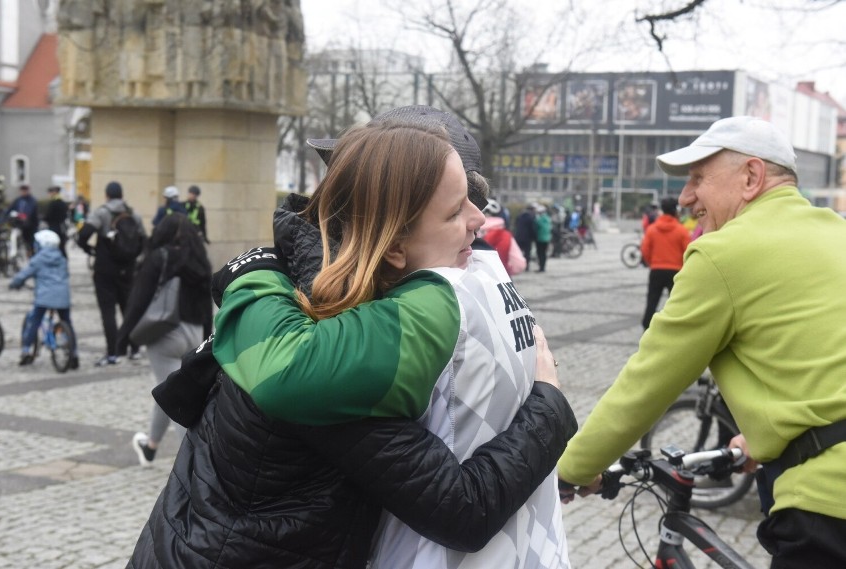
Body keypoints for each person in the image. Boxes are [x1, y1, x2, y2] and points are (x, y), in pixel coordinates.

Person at [127, 112, 576, 569]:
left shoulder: (324, 300)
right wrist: (549, 406)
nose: (480, 221)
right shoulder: (335, 341)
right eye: (456, 208)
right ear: (393, 240)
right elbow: (462, 509)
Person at [556, 116, 846, 568]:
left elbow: (648, 381)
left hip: (830, 505)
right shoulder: (836, 232)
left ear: (751, 177)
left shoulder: (723, 252)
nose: (687, 197)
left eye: (697, 178)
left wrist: (572, 470)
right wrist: (769, 437)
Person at [116, 213, 212, 466]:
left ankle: (194, 465)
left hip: (164, 336)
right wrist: (206, 340)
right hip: (193, 334)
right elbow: (206, 305)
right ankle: (150, 447)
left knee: (177, 399)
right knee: (169, 390)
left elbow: (139, 300)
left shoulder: (159, 257)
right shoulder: (200, 260)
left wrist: (123, 338)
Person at [77, 181, 147, 366]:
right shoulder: (133, 214)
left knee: (108, 311)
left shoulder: (102, 212)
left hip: (105, 269)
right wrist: (131, 257)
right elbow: (143, 240)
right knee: (128, 309)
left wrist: (89, 249)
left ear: (107, 195)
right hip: (127, 270)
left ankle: (113, 353)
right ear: (122, 195)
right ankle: (134, 349)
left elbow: (84, 234)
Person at [9, 229, 79, 368]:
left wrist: (14, 284)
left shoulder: (38, 260)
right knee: (67, 322)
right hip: (62, 297)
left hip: (44, 297)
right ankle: (74, 352)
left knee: (34, 321)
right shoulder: (62, 258)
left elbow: (23, 274)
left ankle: (26, 350)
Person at [639, 196, 690, 329]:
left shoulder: (652, 229)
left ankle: (646, 326)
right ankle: (676, 328)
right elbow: (688, 251)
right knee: (676, 303)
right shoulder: (681, 230)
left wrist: (652, 263)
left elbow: (645, 249)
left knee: (652, 301)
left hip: (656, 269)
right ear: (675, 211)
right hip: (675, 271)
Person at [477, 198, 525, 276]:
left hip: (475, 278)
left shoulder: (470, 233)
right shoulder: (505, 235)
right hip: (501, 276)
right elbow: (519, 264)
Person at [3, 184, 39, 256]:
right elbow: (10, 209)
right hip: (19, 224)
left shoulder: (32, 200)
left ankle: (31, 254)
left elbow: (30, 211)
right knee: (14, 236)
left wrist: (25, 216)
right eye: (22, 191)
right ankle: (15, 252)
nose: (23, 192)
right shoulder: (18, 200)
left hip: (30, 225)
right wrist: (5, 218)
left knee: (30, 242)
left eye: (25, 191)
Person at [43, 185, 70, 258]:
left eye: (50, 192)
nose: (49, 194)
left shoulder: (53, 203)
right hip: (62, 228)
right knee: (62, 248)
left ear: (54, 192)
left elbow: (48, 216)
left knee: (54, 247)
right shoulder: (63, 203)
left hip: (54, 228)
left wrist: (43, 218)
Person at [513, 203, 537, 271]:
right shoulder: (531, 217)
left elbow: (516, 225)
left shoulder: (519, 216)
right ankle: (526, 267)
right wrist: (534, 237)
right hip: (527, 238)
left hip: (518, 237)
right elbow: (532, 229)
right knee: (527, 253)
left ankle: (518, 266)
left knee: (518, 252)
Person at [533, 204, 552, 272]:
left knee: (540, 253)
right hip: (547, 239)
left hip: (540, 239)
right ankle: (543, 267)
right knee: (544, 254)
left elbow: (536, 227)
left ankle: (541, 268)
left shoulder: (539, 219)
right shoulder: (548, 218)